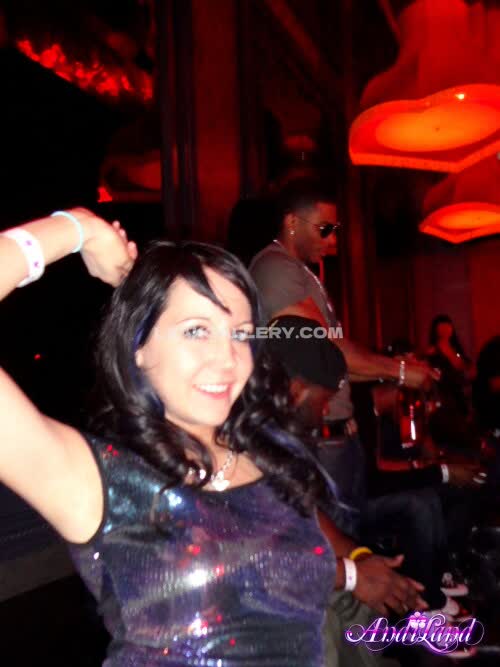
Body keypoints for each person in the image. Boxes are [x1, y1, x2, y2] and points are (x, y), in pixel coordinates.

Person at [1, 207, 368, 666]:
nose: (227, 358)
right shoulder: (99, 480)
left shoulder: (269, 457)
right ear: (138, 346)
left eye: (241, 334)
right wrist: (79, 228)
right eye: (196, 330)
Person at [249, 177, 438, 535]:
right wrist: (400, 371)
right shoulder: (275, 269)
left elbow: (335, 362)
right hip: (317, 441)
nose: (333, 240)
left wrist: (398, 371)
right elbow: (330, 350)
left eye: (335, 231)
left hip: (336, 440)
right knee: (338, 546)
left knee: (354, 539)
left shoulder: (299, 273)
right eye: (325, 229)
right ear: (292, 222)